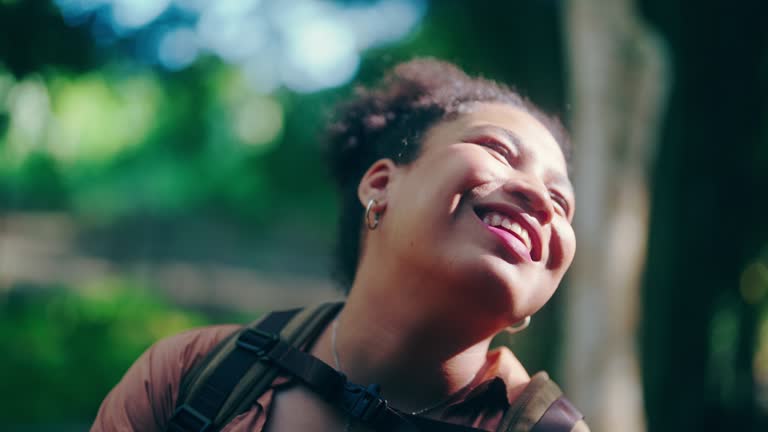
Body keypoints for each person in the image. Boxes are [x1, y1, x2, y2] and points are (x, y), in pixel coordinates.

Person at [91, 58, 588, 432]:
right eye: (498, 150)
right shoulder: (187, 375)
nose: (538, 197)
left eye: (561, 203)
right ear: (380, 186)